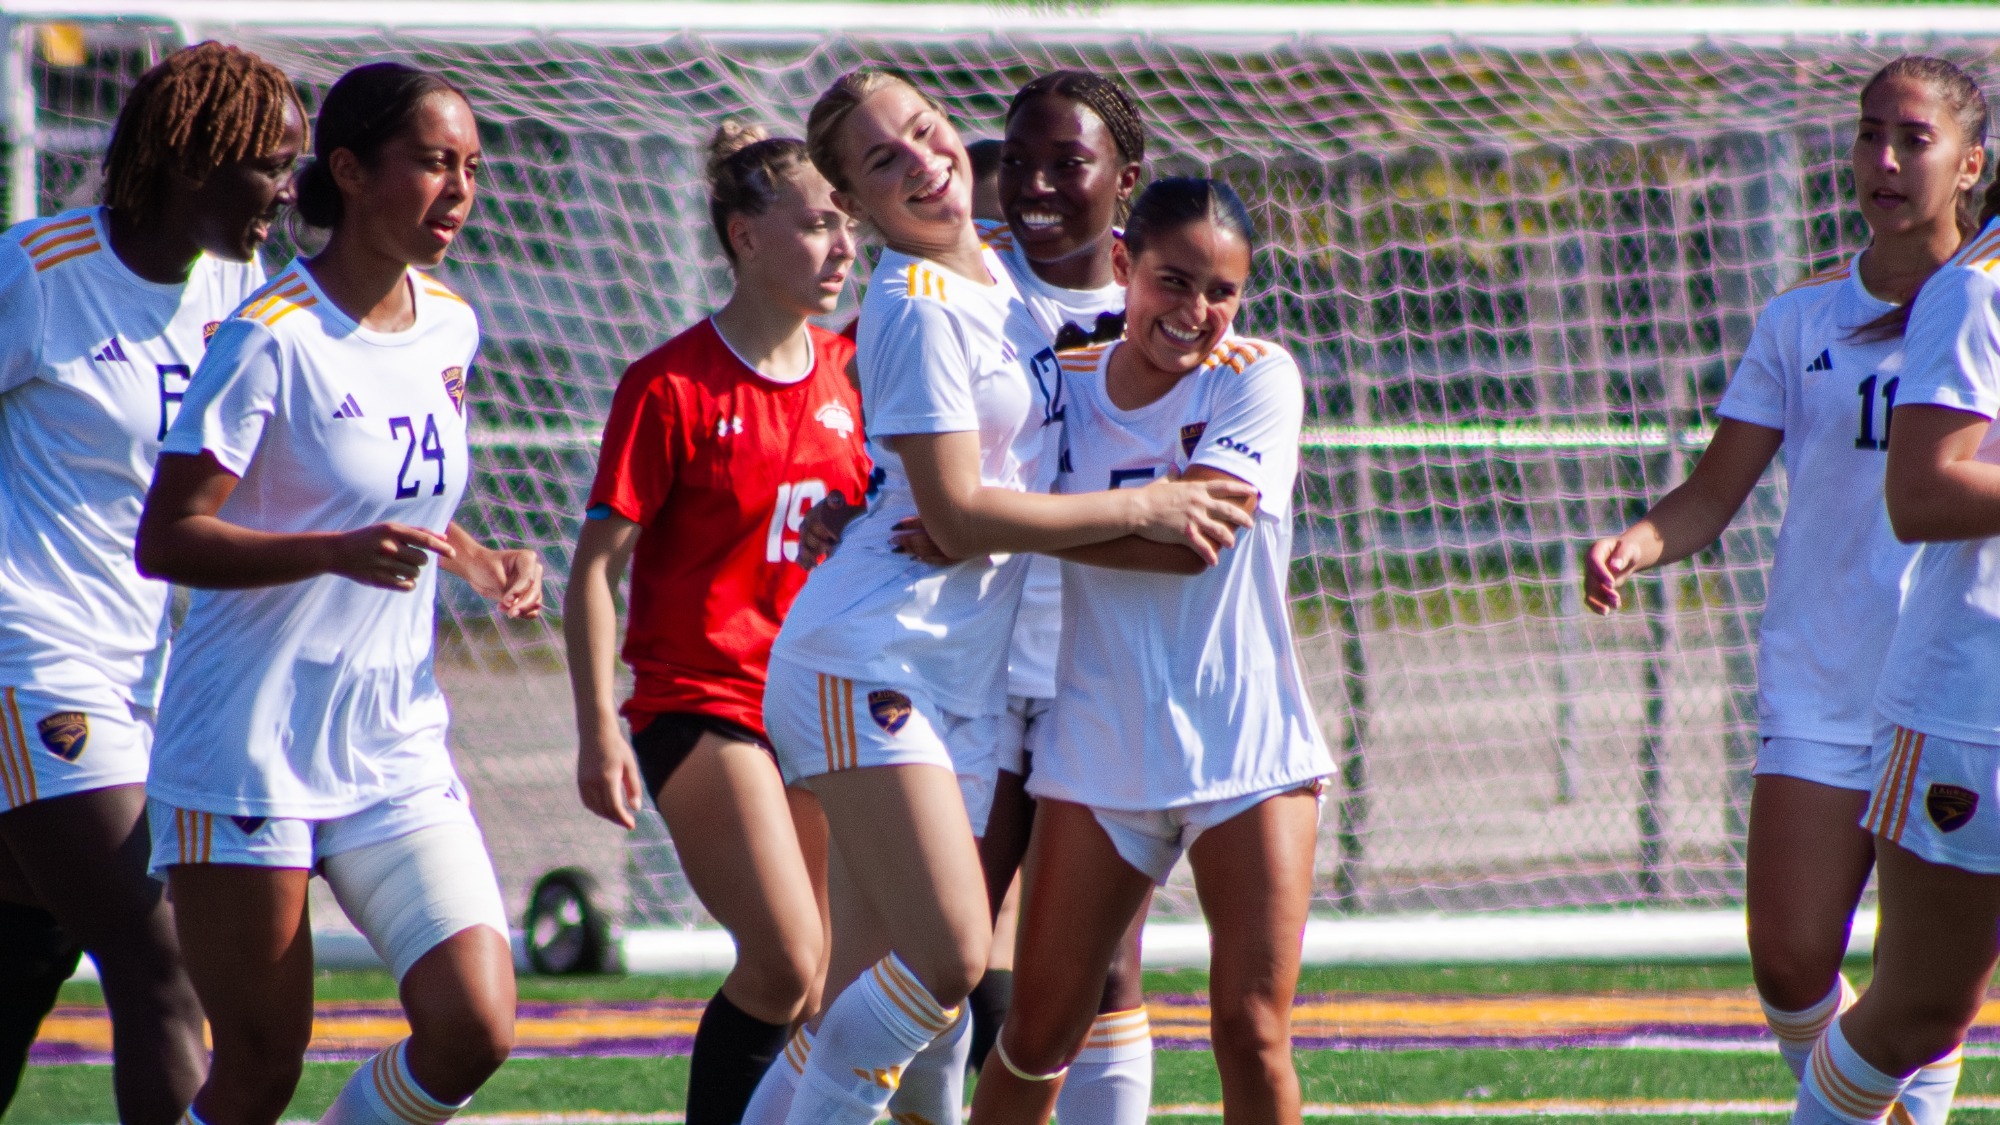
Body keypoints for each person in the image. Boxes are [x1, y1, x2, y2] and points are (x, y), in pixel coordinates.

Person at [749, 68, 1254, 1125]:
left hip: (982, 668)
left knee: (899, 987)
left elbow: (1000, 465)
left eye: (928, 134)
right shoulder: (921, 298)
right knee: (944, 966)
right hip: (882, 659)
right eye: (883, 161)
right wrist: (1143, 509)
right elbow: (958, 506)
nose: (926, 163)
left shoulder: (1002, 277)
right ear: (854, 200)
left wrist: (1207, 347)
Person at [134, 62, 540, 1125]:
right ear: (351, 171)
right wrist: (327, 551)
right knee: (260, 1071)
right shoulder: (271, 334)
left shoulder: (452, 325)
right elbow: (168, 538)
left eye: (471, 169)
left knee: (473, 1025)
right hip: (247, 744)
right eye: (434, 164)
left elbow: (394, 498)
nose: (458, 190)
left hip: (390, 741)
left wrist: (481, 560)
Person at [1585, 57, 1988, 1125]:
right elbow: (1714, 492)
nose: (1885, 160)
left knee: (1919, 988)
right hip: (1821, 681)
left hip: (1948, 690)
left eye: (1912, 138)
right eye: (1868, 135)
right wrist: (1635, 542)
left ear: (1970, 164)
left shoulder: (1982, 310)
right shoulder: (1800, 320)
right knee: (1789, 960)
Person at [964, 177, 1332, 1125]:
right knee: (1037, 1033)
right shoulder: (1059, 389)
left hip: (1246, 748)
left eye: (1222, 291)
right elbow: (959, 492)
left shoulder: (1257, 376)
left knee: (1250, 1030)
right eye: (1174, 281)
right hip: (1099, 749)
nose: (1197, 312)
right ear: (1124, 265)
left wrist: (1014, 524)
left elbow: (1189, 546)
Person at [0, 41, 303, 1125]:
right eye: (270, 164)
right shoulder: (39, 271)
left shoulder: (238, 287)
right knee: (159, 956)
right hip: (29, 658)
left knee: (28, 940)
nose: (289, 190)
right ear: (192, 162)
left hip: (148, 680)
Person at [564, 119, 868, 1125]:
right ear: (743, 235)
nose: (841, 246)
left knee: (826, 993)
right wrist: (596, 726)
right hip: (702, 704)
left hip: (818, 703)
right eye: (816, 223)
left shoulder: (854, 373)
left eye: (845, 223)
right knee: (787, 958)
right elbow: (595, 573)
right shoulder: (670, 385)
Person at [1786, 84, 2000, 1125]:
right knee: (1920, 1011)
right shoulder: (1976, 291)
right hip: (1971, 708)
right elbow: (1919, 493)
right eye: (1876, 136)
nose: (1883, 156)